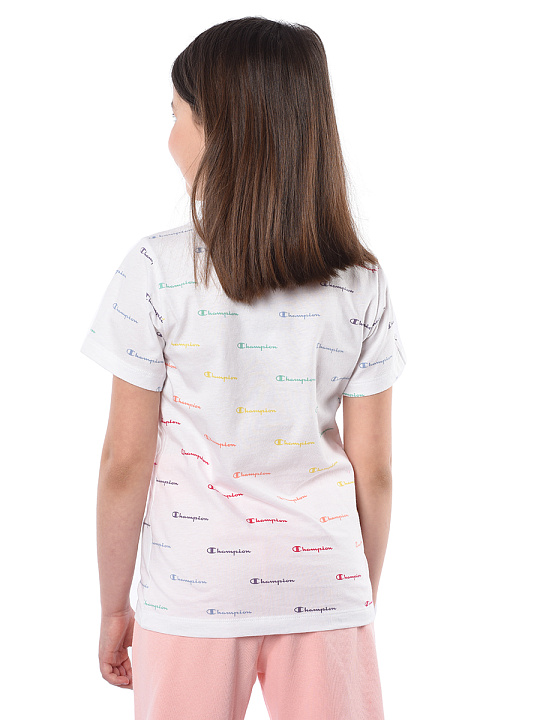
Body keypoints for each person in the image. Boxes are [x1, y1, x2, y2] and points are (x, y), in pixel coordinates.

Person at [80, 16, 407, 720]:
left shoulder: (155, 270)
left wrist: (113, 607)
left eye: (176, 113)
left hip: (194, 588)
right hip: (325, 575)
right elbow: (375, 471)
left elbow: (123, 463)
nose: (169, 135)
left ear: (220, 131)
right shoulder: (361, 283)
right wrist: (350, 593)